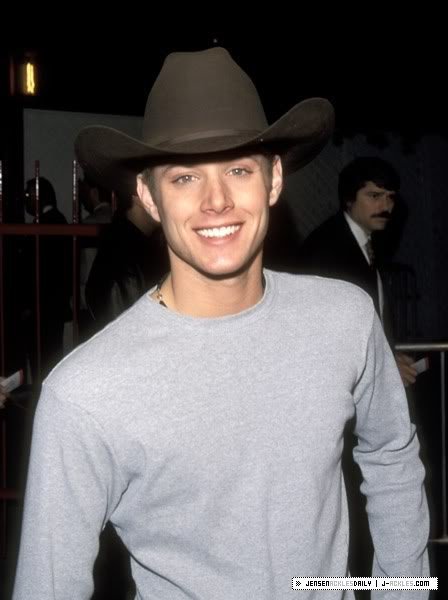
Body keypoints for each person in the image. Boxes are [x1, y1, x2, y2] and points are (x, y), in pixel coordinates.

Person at [13, 48, 429, 600]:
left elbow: (391, 454)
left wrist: (405, 589)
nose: (216, 201)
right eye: (185, 177)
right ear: (148, 197)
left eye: (238, 169)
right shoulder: (85, 392)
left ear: (273, 179)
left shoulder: (344, 318)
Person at [299, 157, 417, 387]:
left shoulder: (368, 243)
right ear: (348, 198)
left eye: (390, 197)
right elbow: (326, 334)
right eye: (374, 196)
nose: (386, 207)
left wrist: (388, 357)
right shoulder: (325, 248)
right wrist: (382, 367)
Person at [22, 176, 72, 380]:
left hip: (42, 306)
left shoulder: (45, 225)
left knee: (42, 360)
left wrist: (28, 303)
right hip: (53, 306)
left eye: (28, 195)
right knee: (50, 359)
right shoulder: (58, 221)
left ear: (38, 196)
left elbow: (34, 270)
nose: (25, 199)